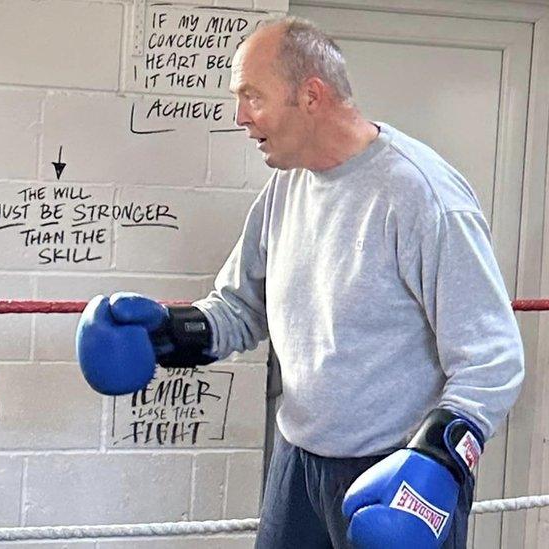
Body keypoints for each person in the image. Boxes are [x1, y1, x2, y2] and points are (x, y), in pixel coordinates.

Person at [76, 16, 524, 549]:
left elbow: (492, 359)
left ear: (311, 95)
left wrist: (439, 459)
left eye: (252, 97)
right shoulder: (286, 187)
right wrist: (168, 332)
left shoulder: (421, 195)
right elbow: (241, 308)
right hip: (298, 463)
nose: (240, 117)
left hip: (394, 474)